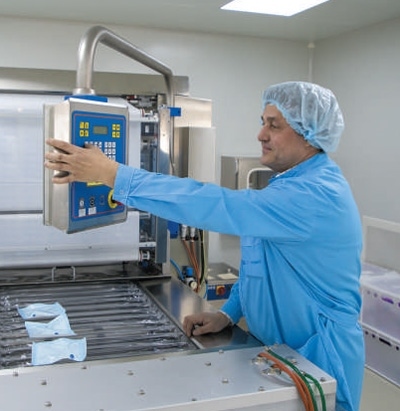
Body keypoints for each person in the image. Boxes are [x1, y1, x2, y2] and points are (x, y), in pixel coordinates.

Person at [45, 81, 364, 411]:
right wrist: (228, 313)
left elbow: (215, 204)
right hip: (281, 356)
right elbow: (261, 267)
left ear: (308, 135)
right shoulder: (288, 185)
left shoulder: (314, 196)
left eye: (274, 125)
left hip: (321, 360)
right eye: (262, 122)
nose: (261, 134)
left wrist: (115, 175)